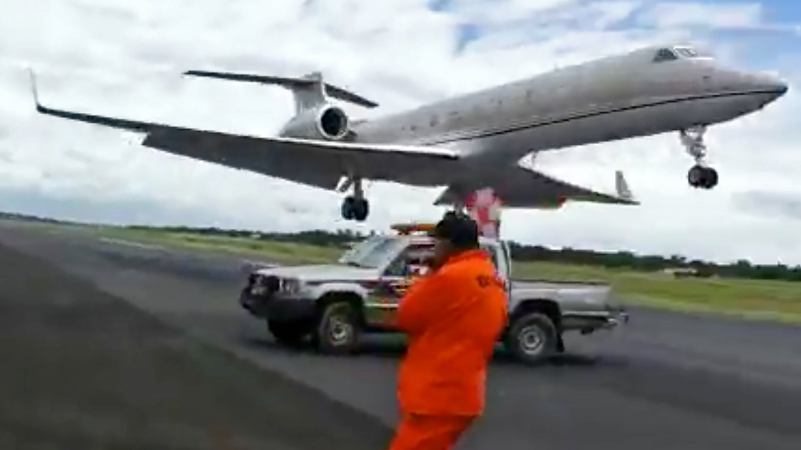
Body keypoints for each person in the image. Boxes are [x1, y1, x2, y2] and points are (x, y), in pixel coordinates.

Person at [387, 212, 509, 450]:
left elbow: (405, 316)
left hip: (437, 395)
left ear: (449, 243)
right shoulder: (491, 276)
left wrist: (428, 275)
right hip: (463, 392)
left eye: (436, 243)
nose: (433, 249)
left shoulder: (450, 276)